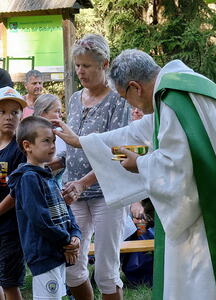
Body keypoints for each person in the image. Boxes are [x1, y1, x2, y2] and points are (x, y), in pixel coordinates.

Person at [53, 49, 216, 300]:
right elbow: (138, 133)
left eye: (125, 97)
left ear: (135, 87)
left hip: (211, 210)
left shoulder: (173, 99)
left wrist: (140, 164)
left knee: (206, 282)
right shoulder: (185, 87)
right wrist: (83, 142)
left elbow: (178, 167)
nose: (129, 104)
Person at [58, 34, 130, 300]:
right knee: (72, 268)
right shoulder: (75, 98)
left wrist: (83, 183)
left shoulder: (117, 100)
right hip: (73, 192)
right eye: (77, 65)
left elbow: (116, 154)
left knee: (106, 271)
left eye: (86, 65)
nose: (80, 71)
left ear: (104, 64)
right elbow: (72, 145)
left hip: (107, 194)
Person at [8, 116, 81, 300]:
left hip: (58, 251)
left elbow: (66, 211)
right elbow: (40, 221)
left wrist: (75, 235)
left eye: (54, 140)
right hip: (44, 255)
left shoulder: (47, 175)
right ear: (27, 146)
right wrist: (66, 241)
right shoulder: (28, 178)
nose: (53, 145)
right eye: (46, 141)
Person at [0, 86, 27, 300]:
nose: (8, 117)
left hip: (11, 227)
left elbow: (18, 190)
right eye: (2, 112)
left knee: (9, 283)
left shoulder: (20, 149)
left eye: (14, 112)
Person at [33, 94, 66, 186]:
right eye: (57, 111)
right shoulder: (30, 134)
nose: (61, 115)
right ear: (43, 113)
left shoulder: (61, 133)